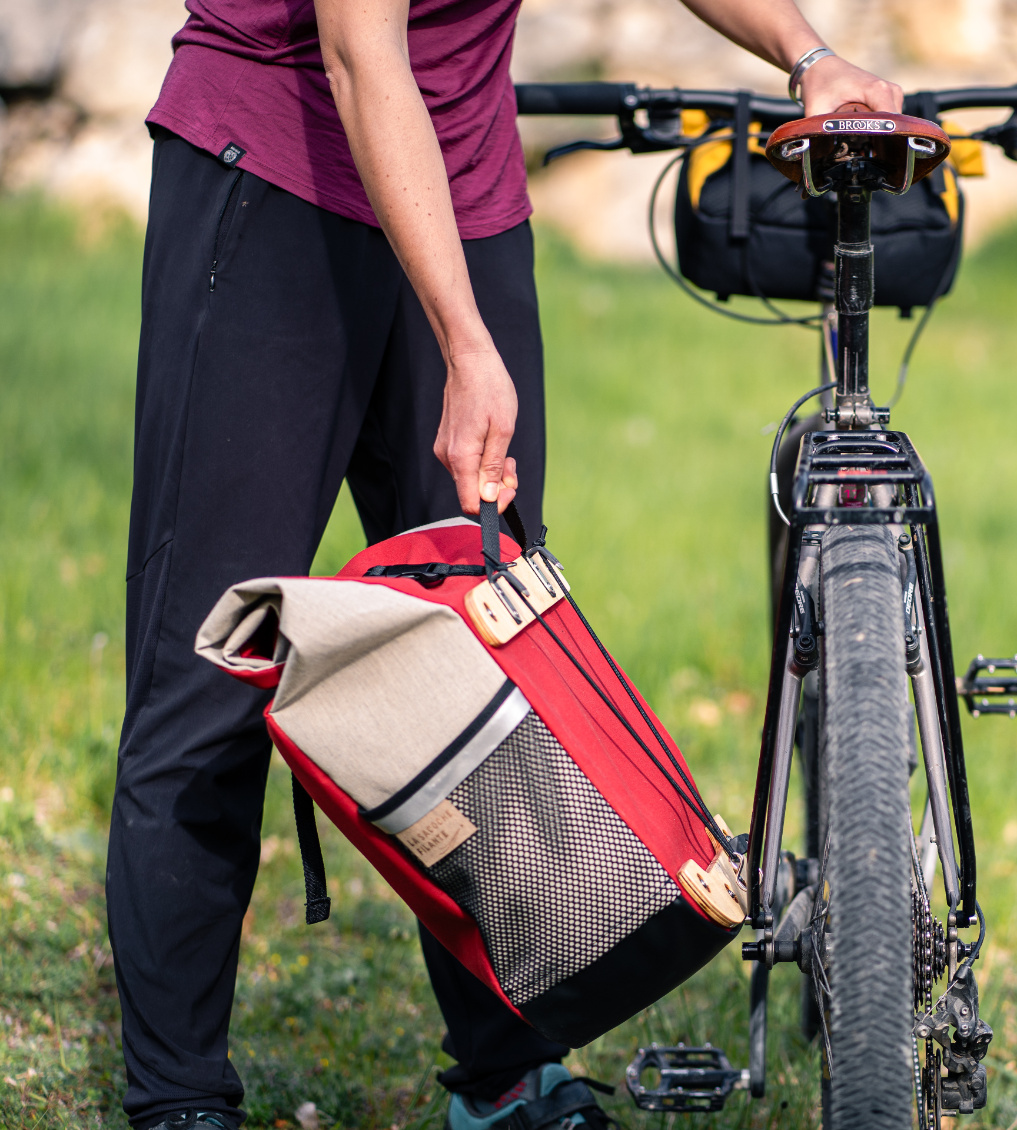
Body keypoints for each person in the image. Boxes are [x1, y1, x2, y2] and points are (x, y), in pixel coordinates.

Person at [106, 1, 901, 1127]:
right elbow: (356, 48)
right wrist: (462, 342)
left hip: (462, 186)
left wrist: (808, 56)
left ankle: (504, 1070)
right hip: (277, 181)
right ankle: (179, 1093)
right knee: (213, 665)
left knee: (498, 654)